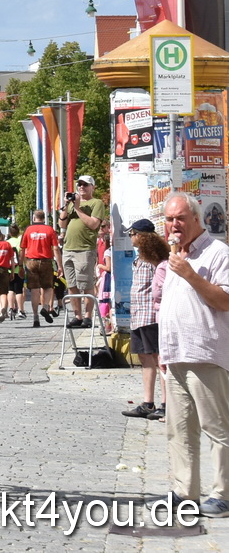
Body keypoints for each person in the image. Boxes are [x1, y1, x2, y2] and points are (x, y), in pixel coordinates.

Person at [158, 192, 229, 515]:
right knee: (180, 429)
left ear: (197, 220)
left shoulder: (217, 254)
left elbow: (224, 301)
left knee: (217, 428)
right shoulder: (172, 256)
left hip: (206, 354)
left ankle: (223, 492)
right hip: (175, 354)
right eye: (170, 219)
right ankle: (184, 491)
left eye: (180, 219)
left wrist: (189, 273)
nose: (174, 225)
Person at [124, 218, 169, 421]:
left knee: (159, 358)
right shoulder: (139, 258)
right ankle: (148, 402)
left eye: (132, 234)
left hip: (150, 314)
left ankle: (166, 404)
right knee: (144, 357)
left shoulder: (154, 259)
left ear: (141, 235)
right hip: (138, 315)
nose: (130, 238)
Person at [60, 177, 109, 329]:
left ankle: (87, 317)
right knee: (71, 284)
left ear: (92, 187)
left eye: (85, 185)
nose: (81, 187)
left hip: (84, 249)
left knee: (86, 283)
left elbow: (94, 224)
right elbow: (62, 224)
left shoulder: (96, 203)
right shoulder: (72, 204)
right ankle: (77, 316)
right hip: (68, 248)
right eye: (79, 185)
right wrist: (66, 206)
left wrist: (78, 208)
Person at [21, 211, 60, 323]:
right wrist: (59, 265)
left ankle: (35, 316)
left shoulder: (28, 230)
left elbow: (22, 249)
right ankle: (46, 307)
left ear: (34, 218)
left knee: (34, 290)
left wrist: (21, 264)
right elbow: (56, 248)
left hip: (31, 261)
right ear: (44, 218)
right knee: (48, 287)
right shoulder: (49, 229)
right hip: (46, 261)